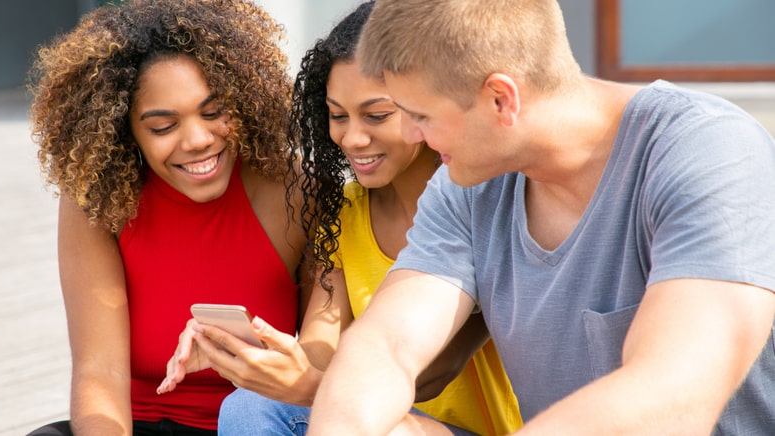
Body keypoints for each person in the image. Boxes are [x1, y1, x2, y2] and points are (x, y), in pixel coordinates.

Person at [306, 0, 775, 435]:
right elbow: (385, 346)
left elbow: (674, 394)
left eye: (421, 115)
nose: (411, 134)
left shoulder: (707, 151)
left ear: (500, 99)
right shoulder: (464, 184)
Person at [156, 2, 522, 435]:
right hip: (370, 418)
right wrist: (257, 355)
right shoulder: (346, 210)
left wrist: (310, 387)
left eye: (377, 115)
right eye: (337, 115)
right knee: (250, 406)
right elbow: (320, 345)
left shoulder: (485, 200)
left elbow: (431, 372)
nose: (353, 137)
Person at [25, 0, 307, 434]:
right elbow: (100, 374)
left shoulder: (290, 188)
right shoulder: (97, 198)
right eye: (163, 127)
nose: (197, 140)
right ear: (126, 130)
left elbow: (320, 358)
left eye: (214, 113)